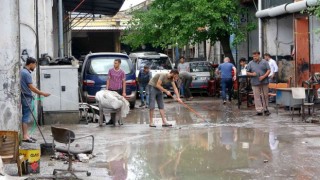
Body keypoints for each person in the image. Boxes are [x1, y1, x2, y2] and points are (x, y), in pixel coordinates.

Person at [20, 57, 50, 143]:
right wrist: (43, 93)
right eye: (35, 64)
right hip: (26, 97)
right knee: (25, 116)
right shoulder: (26, 73)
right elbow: (32, 88)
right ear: (31, 64)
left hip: (25, 96)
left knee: (26, 116)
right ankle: (25, 136)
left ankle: (26, 135)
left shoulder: (22, 72)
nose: (35, 66)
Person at [246, 51, 271, 116]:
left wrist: (263, 76)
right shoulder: (250, 63)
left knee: (265, 96)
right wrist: (252, 74)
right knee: (256, 96)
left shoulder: (264, 62)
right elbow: (246, 72)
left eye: (256, 56)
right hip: (254, 82)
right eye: (253, 56)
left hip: (264, 81)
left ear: (259, 55)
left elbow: (269, 70)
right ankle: (259, 110)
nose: (254, 57)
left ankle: (266, 109)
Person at [106, 59, 126, 125]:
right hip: (111, 90)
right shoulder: (110, 71)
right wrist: (107, 89)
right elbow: (108, 80)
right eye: (114, 63)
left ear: (119, 64)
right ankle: (112, 119)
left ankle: (119, 120)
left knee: (119, 105)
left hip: (118, 90)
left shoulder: (122, 72)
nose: (115, 64)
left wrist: (124, 92)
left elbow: (124, 82)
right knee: (111, 105)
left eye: (116, 63)